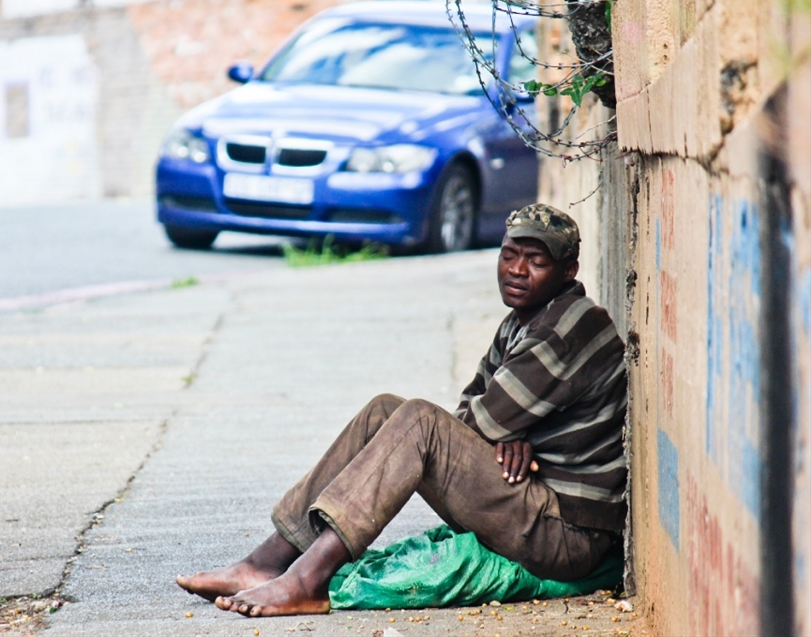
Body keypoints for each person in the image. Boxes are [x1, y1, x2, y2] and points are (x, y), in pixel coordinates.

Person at [176, 204, 628, 618]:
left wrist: (501, 428)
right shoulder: (524, 318)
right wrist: (509, 431)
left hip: (565, 532)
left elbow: (469, 425)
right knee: (385, 411)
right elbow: (472, 408)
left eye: (537, 261)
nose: (517, 270)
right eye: (509, 254)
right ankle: (267, 562)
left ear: (569, 271)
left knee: (419, 423)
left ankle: (308, 580)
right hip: (529, 500)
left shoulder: (568, 327)